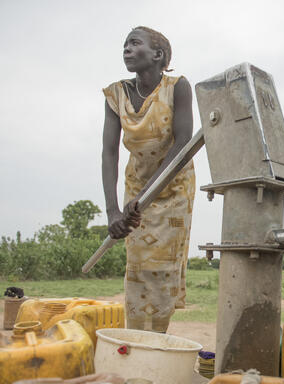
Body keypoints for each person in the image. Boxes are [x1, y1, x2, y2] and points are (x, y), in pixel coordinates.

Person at [101, 26, 196, 332]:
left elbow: (183, 143)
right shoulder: (116, 94)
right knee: (138, 268)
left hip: (173, 186)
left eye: (134, 43)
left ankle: (155, 341)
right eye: (124, 44)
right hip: (135, 189)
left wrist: (145, 196)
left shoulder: (177, 87)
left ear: (158, 55)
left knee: (163, 269)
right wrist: (113, 211)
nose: (126, 48)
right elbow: (109, 153)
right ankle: (137, 339)